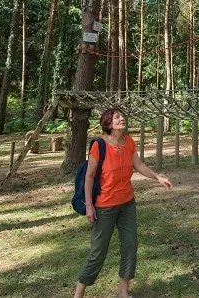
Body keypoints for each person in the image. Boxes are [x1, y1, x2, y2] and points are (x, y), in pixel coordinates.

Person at [74, 108, 174, 298]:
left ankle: (124, 293)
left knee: (130, 246)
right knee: (98, 252)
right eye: (116, 117)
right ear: (108, 124)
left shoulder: (128, 142)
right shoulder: (99, 145)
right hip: (104, 207)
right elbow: (89, 176)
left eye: (122, 116)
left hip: (127, 203)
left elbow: (139, 165)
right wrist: (89, 205)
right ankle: (78, 294)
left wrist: (157, 177)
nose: (121, 119)